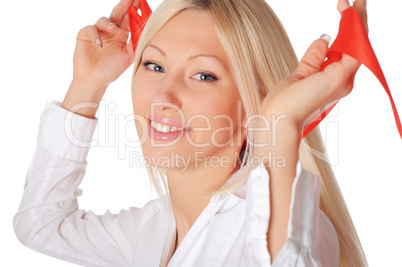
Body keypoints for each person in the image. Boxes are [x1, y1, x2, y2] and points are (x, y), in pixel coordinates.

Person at [13, 0, 369, 266]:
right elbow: (40, 224)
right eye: (154, 65)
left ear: (254, 104)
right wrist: (87, 84)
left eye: (203, 75)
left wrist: (280, 120)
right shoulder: (152, 229)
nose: (163, 96)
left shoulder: (298, 229)